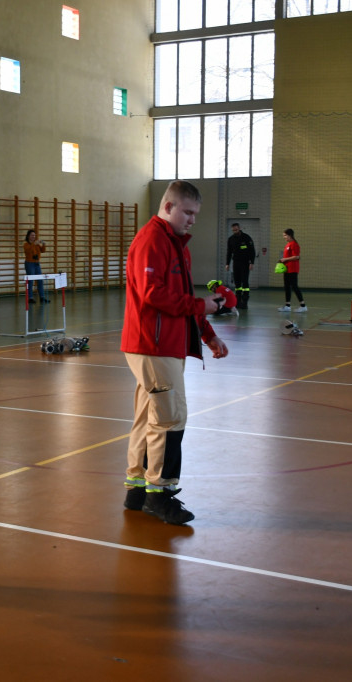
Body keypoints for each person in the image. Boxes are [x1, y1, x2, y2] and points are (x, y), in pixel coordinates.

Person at [121, 180, 229, 525]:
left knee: (148, 417)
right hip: (152, 346)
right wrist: (203, 306)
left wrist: (208, 334)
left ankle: (136, 488)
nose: (193, 220)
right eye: (188, 212)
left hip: (162, 345)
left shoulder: (175, 244)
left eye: (196, 214)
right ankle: (160, 492)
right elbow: (153, 293)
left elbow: (182, 295)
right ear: (168, 207)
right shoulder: (152, 240)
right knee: (171, 418)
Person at [225, 222, 255, 309]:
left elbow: (252, 251)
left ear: (239, 228)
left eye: (236, 230)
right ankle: (238, 301)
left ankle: (245, 301)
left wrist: (251, 262)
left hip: (245, 263)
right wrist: (227, 263)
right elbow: (229, 252)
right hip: (236, 263)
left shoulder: (246, 237)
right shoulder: (231, 239)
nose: (235, 231)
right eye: (233, 230)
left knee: (245, 281)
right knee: (237, 282)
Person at [277, 228, 306, 312]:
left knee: (294, 286)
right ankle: (287, 305)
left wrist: (285, 259)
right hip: (287, 269)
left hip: (293, 269)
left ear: (290, 235)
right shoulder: (287, 245)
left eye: (285, 235)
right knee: (287, 287)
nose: (284, 237)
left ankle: (303, 305)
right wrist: (283, 260)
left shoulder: (294, 244)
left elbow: (297, 256)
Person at [23, 229, 50, 303]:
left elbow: (43, 250)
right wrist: (34, 244)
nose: (33, 236)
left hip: (37, 263)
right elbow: (28, 250)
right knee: (30, 281)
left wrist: (44, 244)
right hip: (29, 263)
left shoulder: (36, 244)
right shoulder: (26, 244)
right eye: (32, 235)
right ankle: (30, 298)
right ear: (28, 236)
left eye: (34, 235)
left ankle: (42, 297)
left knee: (40, 280)